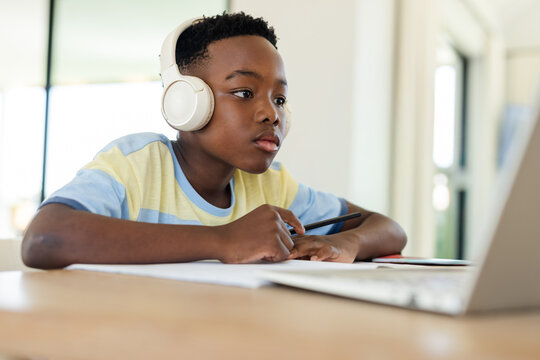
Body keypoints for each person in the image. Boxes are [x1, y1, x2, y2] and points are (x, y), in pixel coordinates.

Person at [22, 12, 406, 269]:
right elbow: (44, 237)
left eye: (280, 99)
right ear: (186, 102)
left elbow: (388, 227)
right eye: (244, 92)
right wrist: (224, 240)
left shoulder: (271, 186)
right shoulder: (137, 165)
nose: (271, 113)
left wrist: (346, 245)